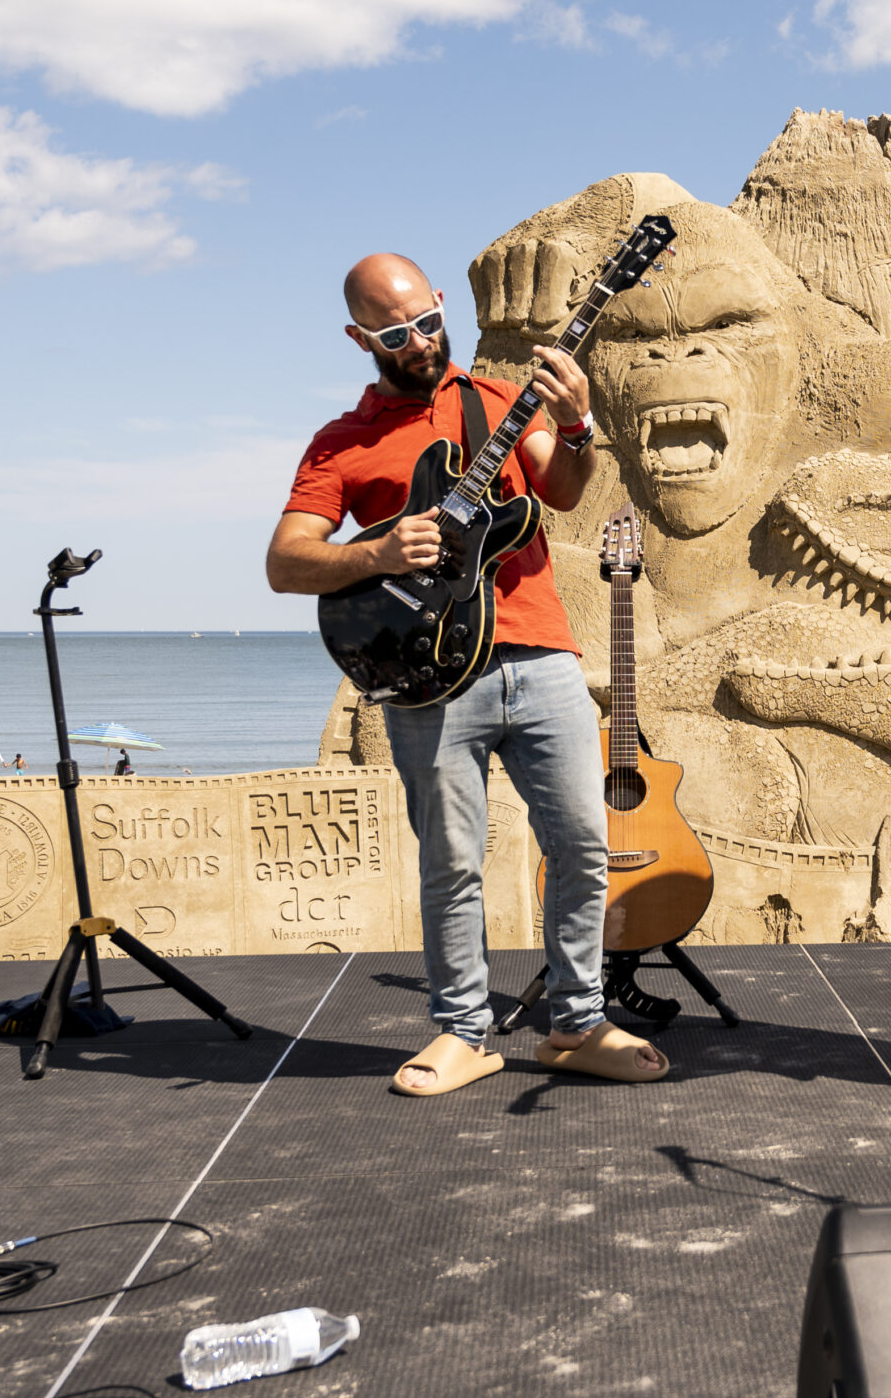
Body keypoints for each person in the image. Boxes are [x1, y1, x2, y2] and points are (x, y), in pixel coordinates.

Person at [267, 249, 663, 1097]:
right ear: (360, 337)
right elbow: (286, 561)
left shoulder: (497, 403)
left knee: (585, 846)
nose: (421, 341)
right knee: (452, 860)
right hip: (429, 674)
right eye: (398, 332)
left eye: (429, 321)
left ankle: (578, 1020)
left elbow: (561, 489)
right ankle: (463, 1031)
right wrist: (374, 549)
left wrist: (583, 424)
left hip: (542, 651)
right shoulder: (343, 441)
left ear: (443, 303)